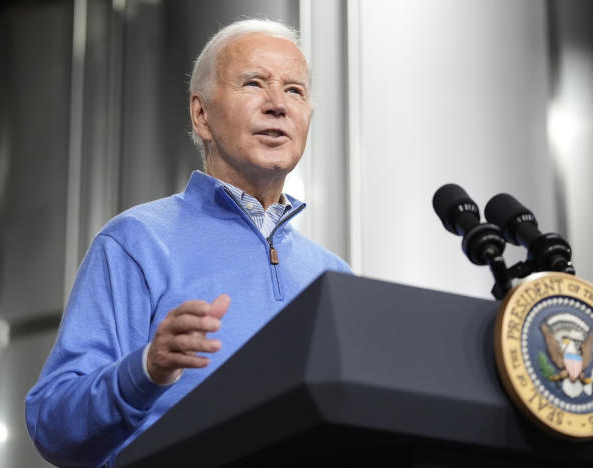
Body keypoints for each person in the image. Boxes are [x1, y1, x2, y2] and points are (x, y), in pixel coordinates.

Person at [25, 18, 351, 468]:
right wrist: (145, 370)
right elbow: (52, 424)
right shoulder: (136, 242)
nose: (278, 104)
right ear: (202, 115)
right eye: (254, 83)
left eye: (294, 90)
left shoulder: (333, 275)